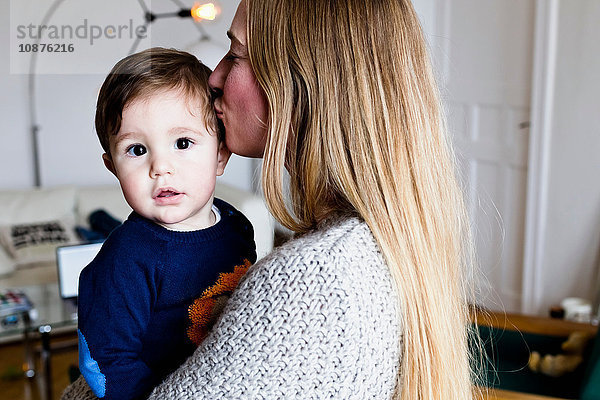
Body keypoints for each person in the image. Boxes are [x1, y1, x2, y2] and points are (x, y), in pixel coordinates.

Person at [62, 0, 480, 398]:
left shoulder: (316, 278)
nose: (214, 77)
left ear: (303, 81)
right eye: (137, 150)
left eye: (236, 54)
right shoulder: (362, 243)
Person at [75, 48, 256, 400]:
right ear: (113, 167)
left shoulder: (237, 226)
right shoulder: (124, 260)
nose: (160, 167)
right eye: (137, 150)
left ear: (220, 154)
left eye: (183, 143)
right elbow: (104, 359)